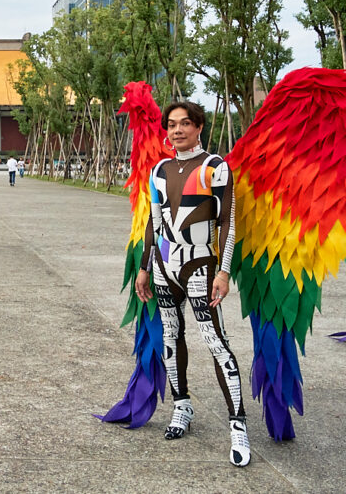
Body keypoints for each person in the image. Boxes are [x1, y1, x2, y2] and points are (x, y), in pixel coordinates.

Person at [133, 101, 249, 468]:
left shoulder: (215, 166)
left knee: (215, 340)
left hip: (200, 263)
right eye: (171, 124)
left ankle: (238, 424)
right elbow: (153, 221)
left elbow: (227, 221)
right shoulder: (159, 169)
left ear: (200, 127)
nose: (177, 130)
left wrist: (224, 270)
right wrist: (144, 267)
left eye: (185, 123)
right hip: (165, 264)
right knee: (170, 334)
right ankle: (181, 405)